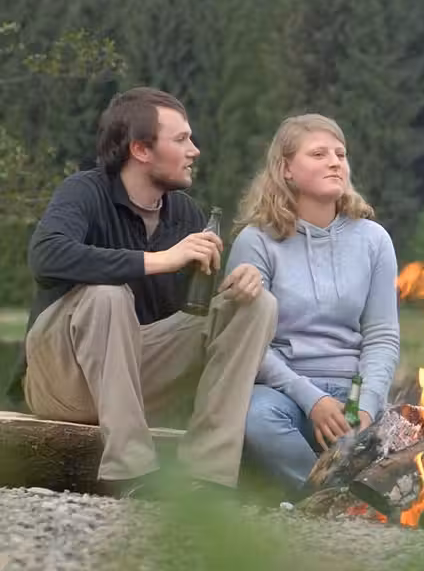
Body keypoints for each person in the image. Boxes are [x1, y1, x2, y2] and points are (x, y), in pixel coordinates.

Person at [7, 86, 278, 498]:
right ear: (141, 150)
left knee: (255, 305)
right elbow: (46, 255)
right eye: (181, 139)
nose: (195, 150)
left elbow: (191, 318)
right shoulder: (85, 191)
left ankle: (208, 476)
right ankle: (129, 472)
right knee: (107, 294)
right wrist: (158, 260)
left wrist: (235, 287)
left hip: (133, 376)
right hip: (60, 379)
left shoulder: (185, 213)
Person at [229, 114, 401, 495]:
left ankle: (337, 494)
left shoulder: (374, 240)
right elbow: (246, 342)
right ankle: (328, 498)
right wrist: (313, 400)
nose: (335, 161)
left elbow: (382, 336)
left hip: (352, 391)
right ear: (286, 169)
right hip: (283, 392)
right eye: (319, 153)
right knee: (255, 418)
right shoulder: (256, 242)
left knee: (377, 436)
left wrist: (367, 408)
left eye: (340, 154)